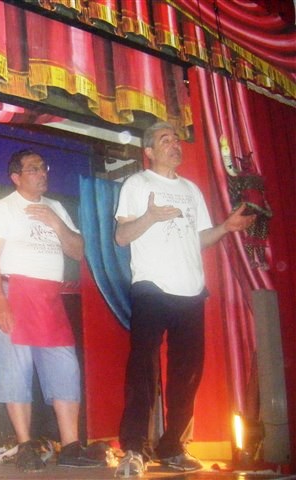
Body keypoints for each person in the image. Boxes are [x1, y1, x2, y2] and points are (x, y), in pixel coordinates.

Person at [114, 122, 255, 477]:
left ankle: (172, 446)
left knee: (188, 374)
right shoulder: (137, 184)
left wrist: (225, 228)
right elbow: (121, 236)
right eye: (165, 140)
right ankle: (134, 448)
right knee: (143, 370)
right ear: (149, 151)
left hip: (191, 289)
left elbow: (199, 239)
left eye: (176, 139)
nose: (175, 144)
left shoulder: (192, 190)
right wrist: (149, 216)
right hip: (151, 287)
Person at [0, 149, 106, 472]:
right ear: (16, 177)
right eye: (33, 169)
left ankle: (71, 446)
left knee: (66, 370)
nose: (42, 173)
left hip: (50, 298)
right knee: (15, 371)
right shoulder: (2, 208)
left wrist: (56, 223)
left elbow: (78, 251)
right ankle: (25, 445)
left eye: (43, 167)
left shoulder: (56, 207)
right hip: (15, 293)